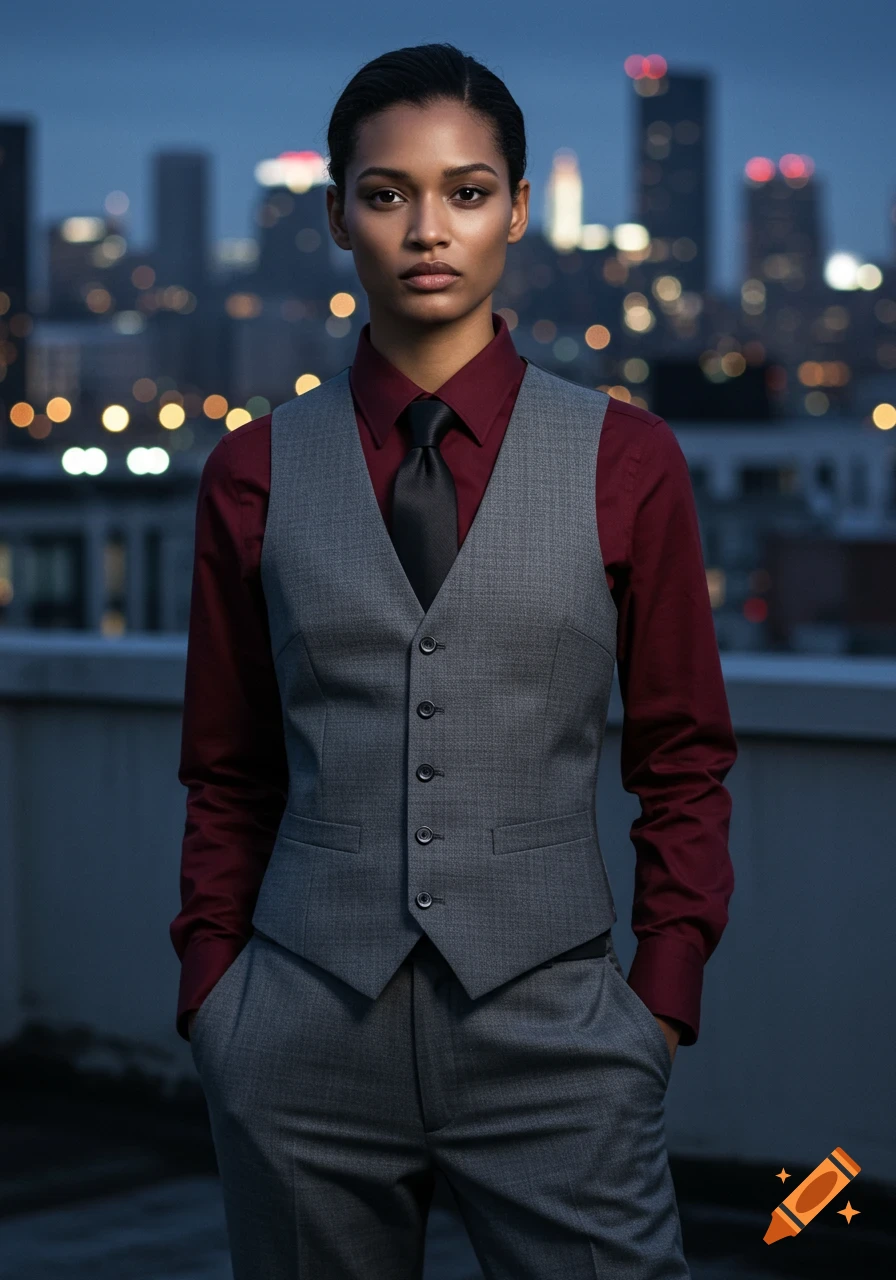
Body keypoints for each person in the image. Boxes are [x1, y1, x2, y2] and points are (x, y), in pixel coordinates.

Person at [170, 41, 737, 1280]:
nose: (429, 228)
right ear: (335, 216)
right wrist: (216, 995)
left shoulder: (625, 460)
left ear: (518, 211)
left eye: (467, 191)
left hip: (560, 1033)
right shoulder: (251, 473)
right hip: (299, 1030)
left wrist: (659, 997)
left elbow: (682, 753)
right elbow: (226, 767)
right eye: (387, 193)